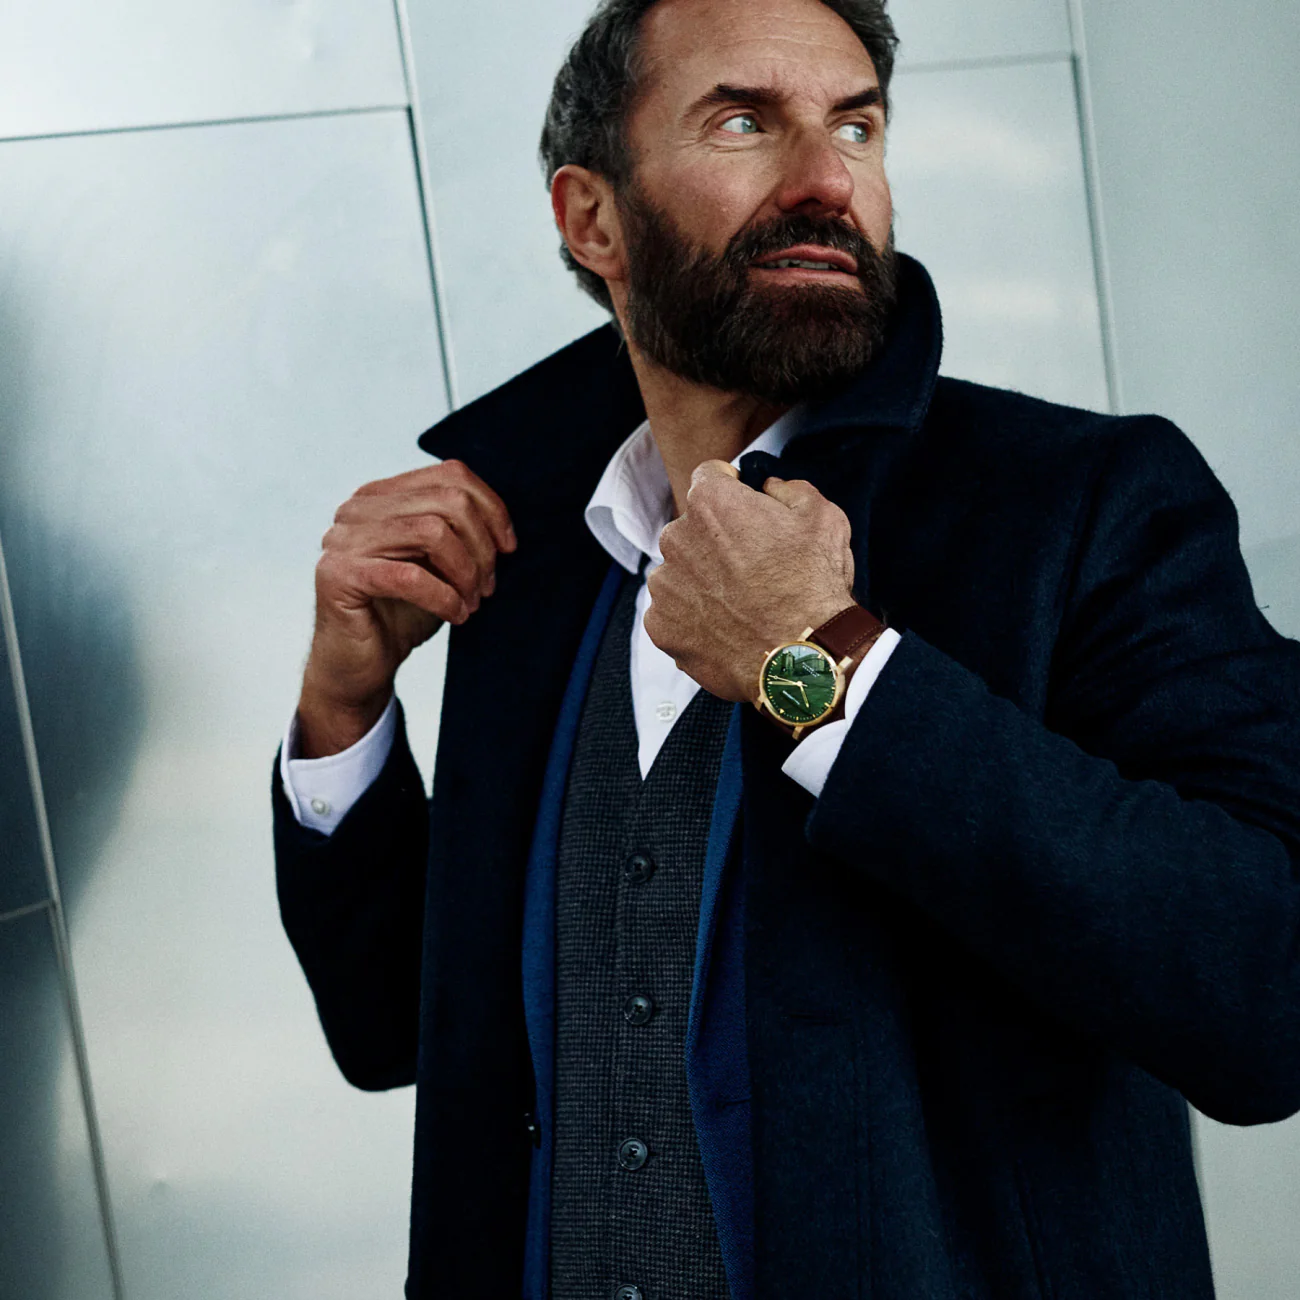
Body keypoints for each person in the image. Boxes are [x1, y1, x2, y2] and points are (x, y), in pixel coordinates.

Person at [272, 0, 1300, 1296]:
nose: (826, 178)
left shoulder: (1083, 506)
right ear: (592, 219)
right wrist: (345, 707)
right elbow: (395, 1030)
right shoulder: (520, 548)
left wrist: (822, 664)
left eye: (856, 126)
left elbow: (1266, 995)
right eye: (744, 121)